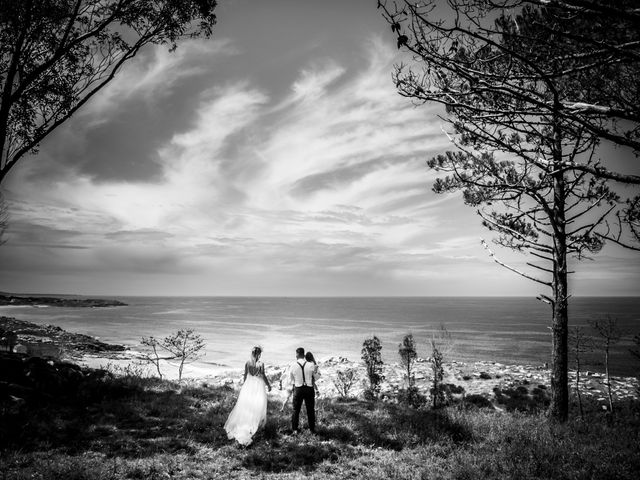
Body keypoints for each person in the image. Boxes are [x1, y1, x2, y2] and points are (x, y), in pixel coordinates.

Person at [224, 346, 272, 446]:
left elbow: (245, 375)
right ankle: (255, 425)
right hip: (258, 385)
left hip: (248, 385)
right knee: (258, 405)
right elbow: (262, 375)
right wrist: (268, 385)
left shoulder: (247, 363)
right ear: (259, 354)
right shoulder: (261, 364)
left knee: (246, 405)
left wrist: (245, 386)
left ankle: (246, 423)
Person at [289, 347, 317, 433]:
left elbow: (291, 380)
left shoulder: (293, 365)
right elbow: (316, 376)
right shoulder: (311, 365)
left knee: (296, 410)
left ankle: (295, 430)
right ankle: (312, 430)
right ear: (303, 354)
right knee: (310, 410)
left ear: (297, 354)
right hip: (309, 388)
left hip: (298, 389)